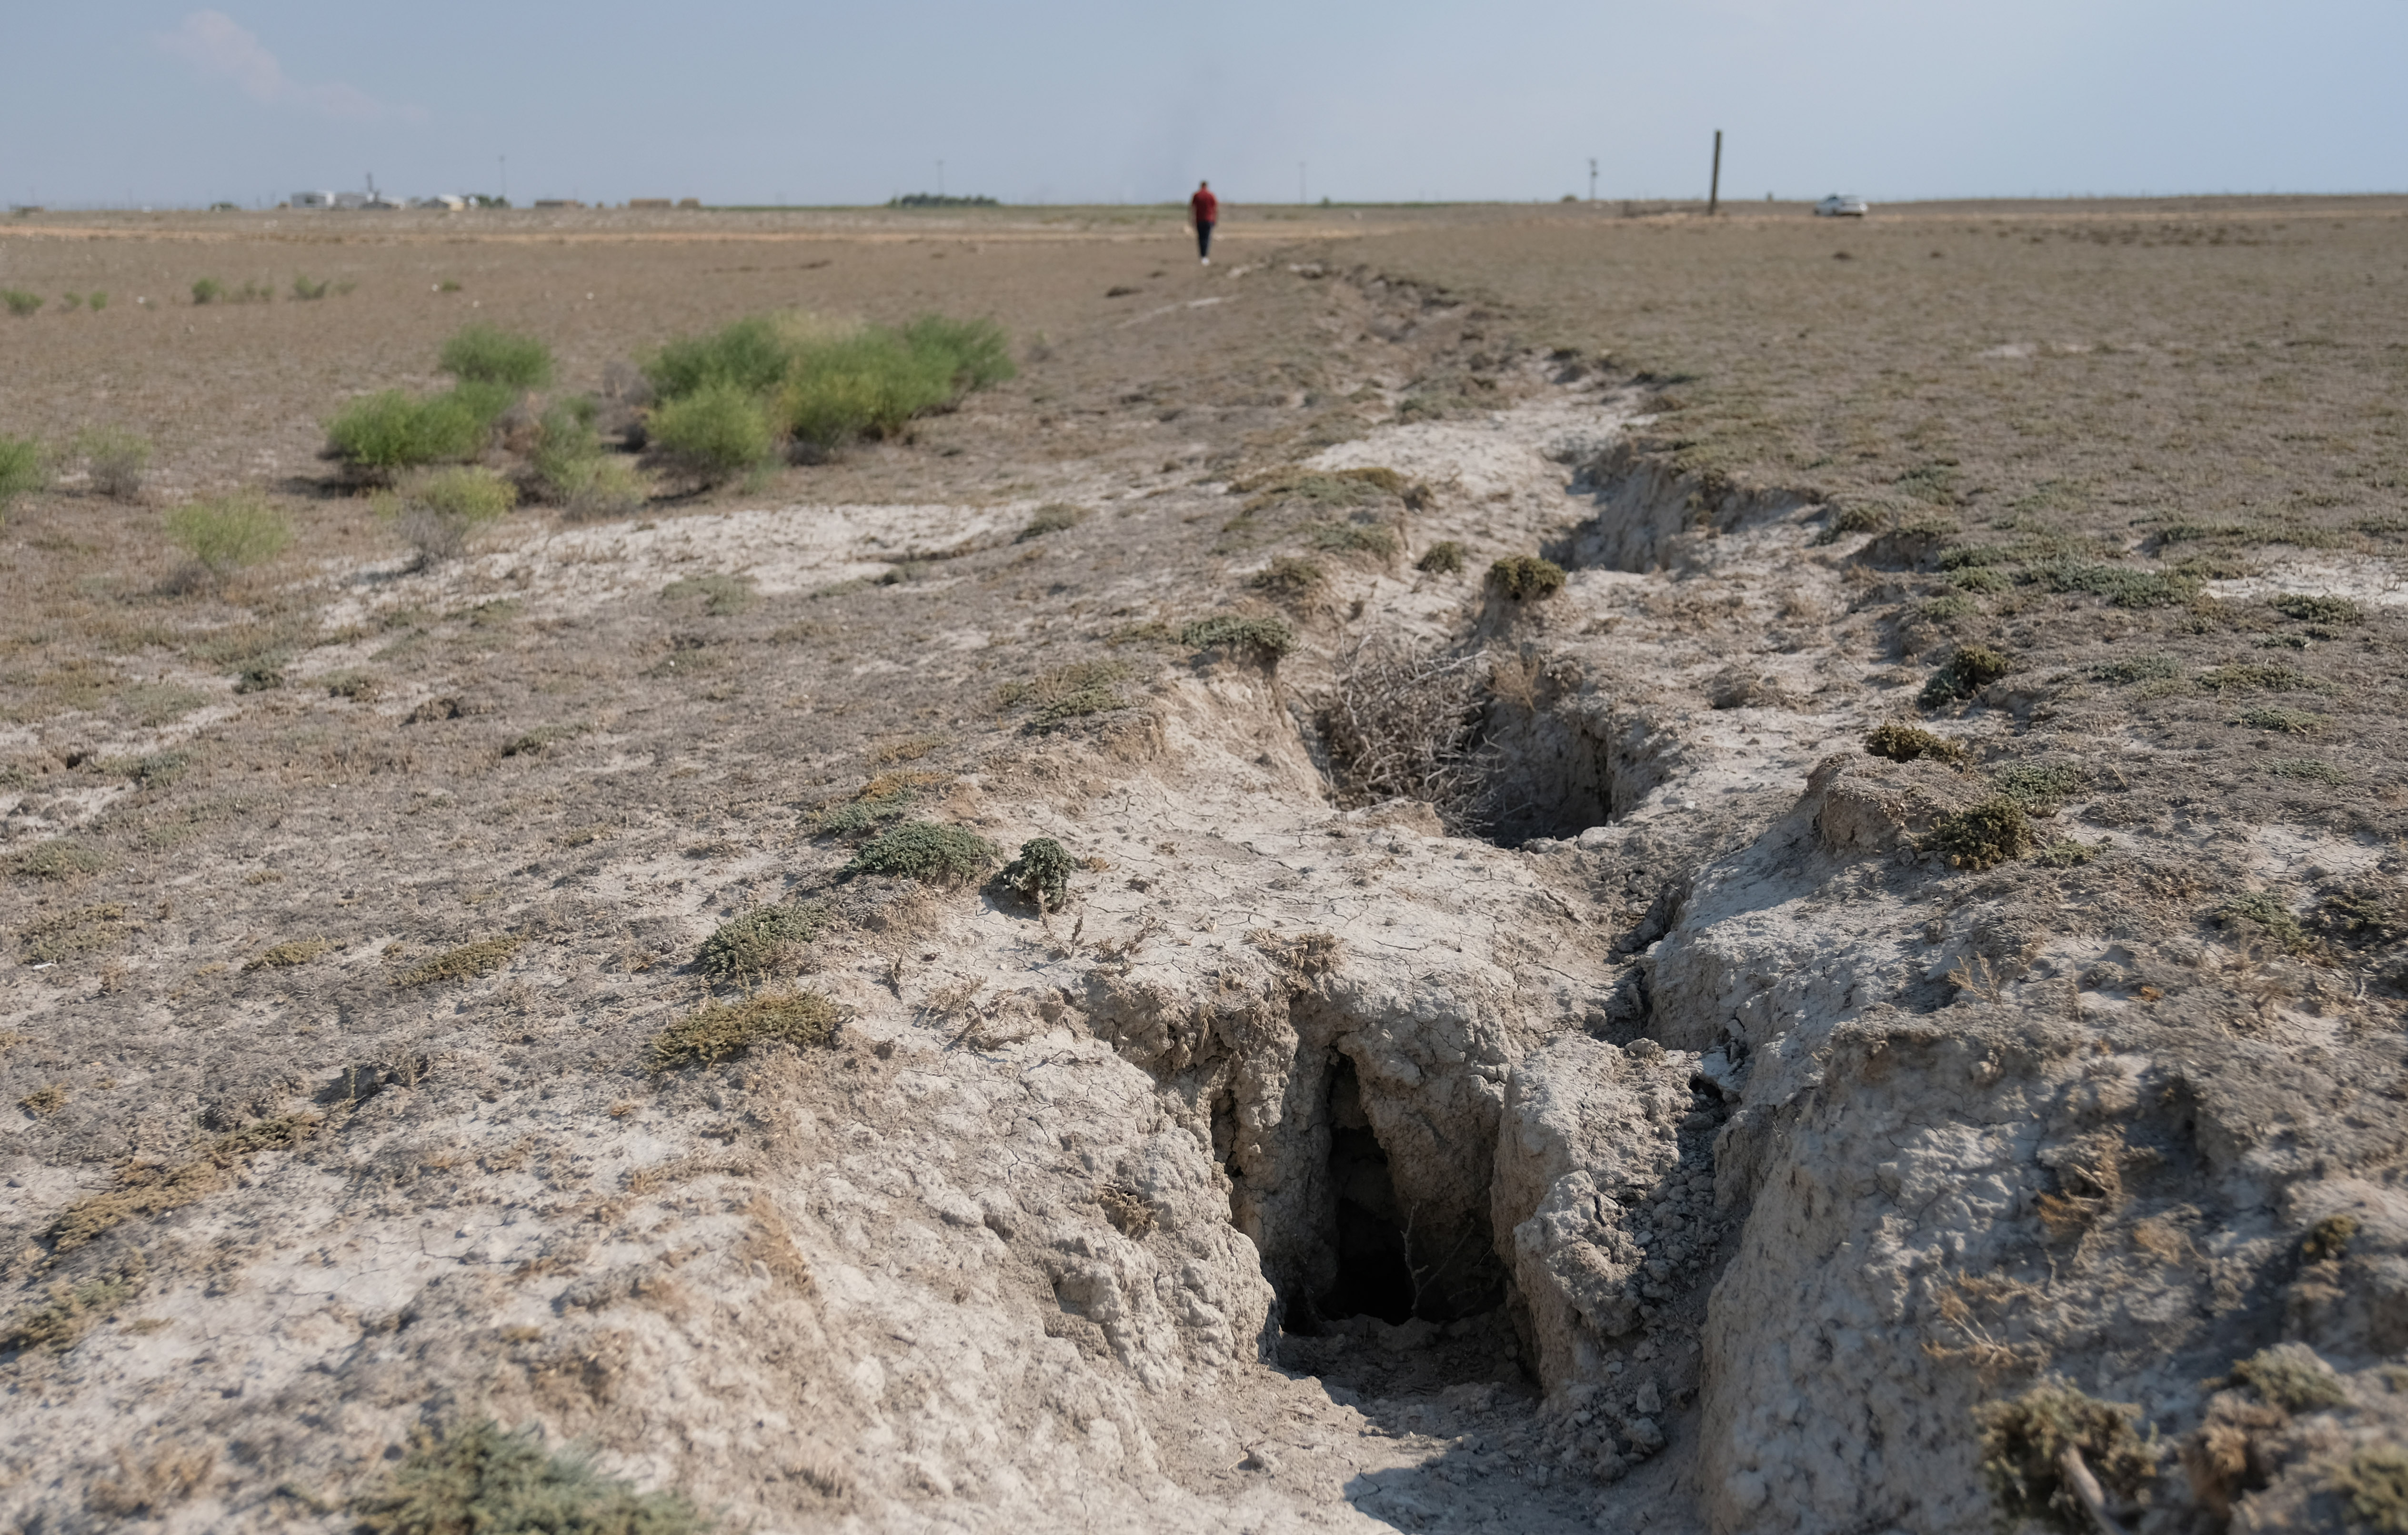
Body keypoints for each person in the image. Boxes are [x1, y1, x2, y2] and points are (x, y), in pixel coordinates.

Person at [1189, 180, 1218, 265]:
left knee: (1201, 238)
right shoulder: (1211, 195)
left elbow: (1192, 208)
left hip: (1199, 220)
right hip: (1209, 220)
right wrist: (1215, 219)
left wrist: (1192, 219)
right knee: (1207, 238)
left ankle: (1202, 255)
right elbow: (1215, 208)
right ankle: (1205, 256)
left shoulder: (1197, 195)